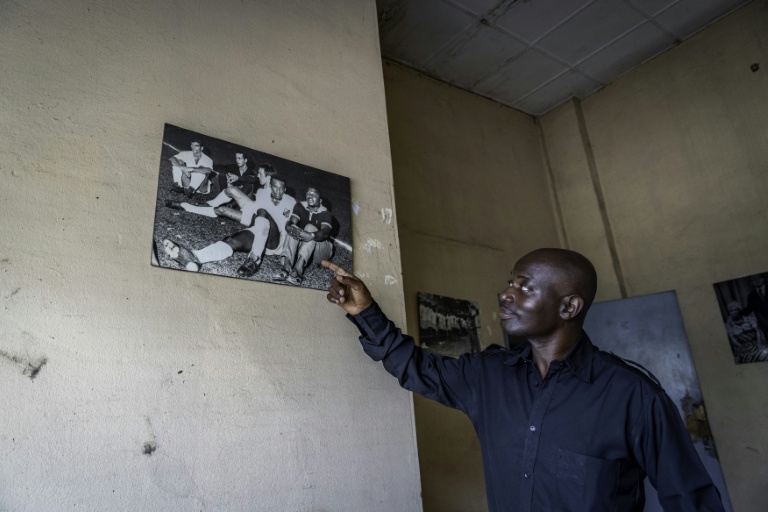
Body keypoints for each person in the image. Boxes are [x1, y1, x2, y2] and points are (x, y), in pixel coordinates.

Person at [321, 248, 724, 512]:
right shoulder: (489, 377)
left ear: (569, 306)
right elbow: (416, 367)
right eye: (509, 283)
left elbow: (691, 501)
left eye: (523, 287)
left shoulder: (632, 396)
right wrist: (365, 311)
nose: (505, 294)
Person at [162, 175, 296, 277]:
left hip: (275, 241)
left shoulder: (291, 202)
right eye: (275, 187)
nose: (278, 191)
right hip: (259, 229)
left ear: (285, 189)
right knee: (231, 240)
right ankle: (197, 257)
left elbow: (294, 229)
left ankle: (254, 259)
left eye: (281, 188)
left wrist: (287, 256)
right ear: (270, 186)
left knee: (262, 212)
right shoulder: (262, 194)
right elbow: (253, 214)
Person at [166, 162, 276, 218]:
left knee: (222, 210)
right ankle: (207, 204)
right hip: (250, 209)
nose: (258, 176)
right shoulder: (262, 190)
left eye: (260, 174)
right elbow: (252, 179)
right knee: (231, 190)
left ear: (268, 177)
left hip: (253, 218)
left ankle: (187, 207)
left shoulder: (274, 193)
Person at [273, 187, 334, 286]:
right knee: (293, 227)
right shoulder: (300, 205)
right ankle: (287, 266)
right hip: (306, 247)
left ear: (321, 200)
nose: (310, 196)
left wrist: (311, 235)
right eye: (308, 193)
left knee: (311, 227)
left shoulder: (325, 213)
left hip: (321, 251)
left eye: (314, 194)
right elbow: (292, 221)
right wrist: (288, 226)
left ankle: (298, 269)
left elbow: (325, 233)